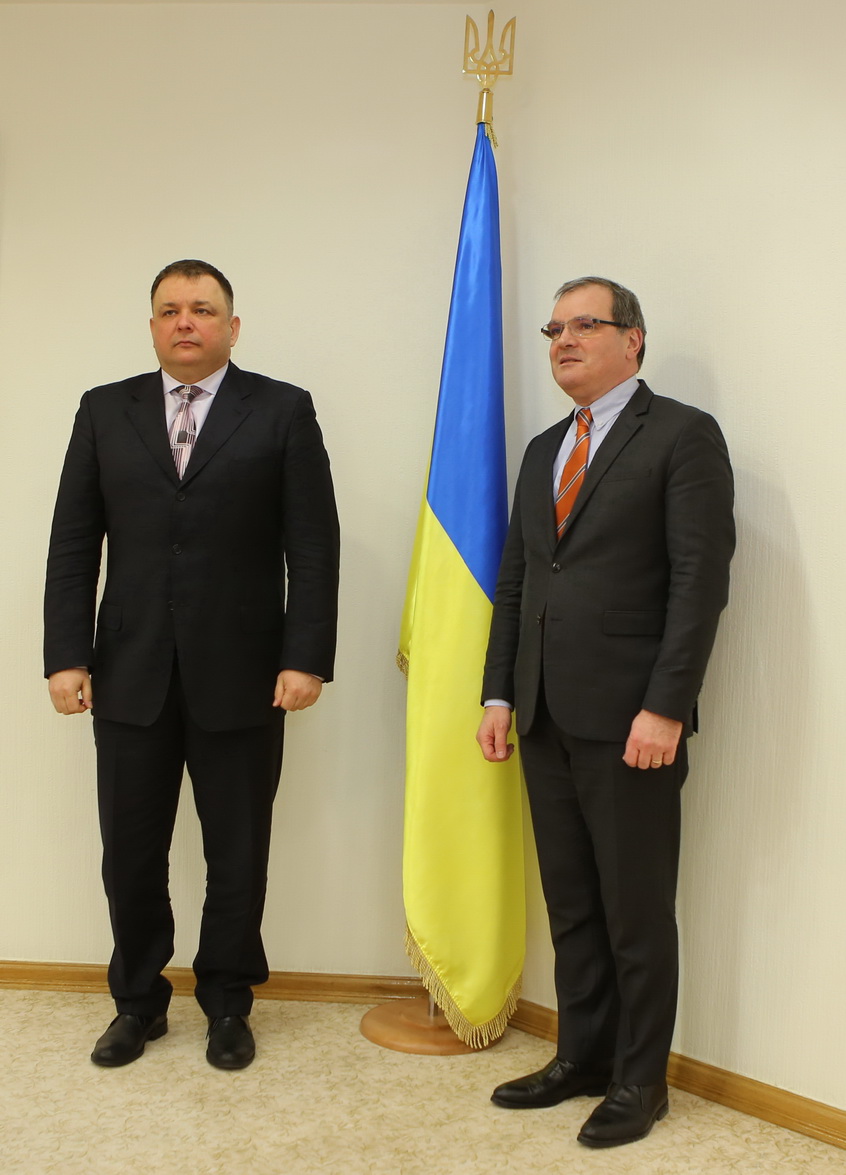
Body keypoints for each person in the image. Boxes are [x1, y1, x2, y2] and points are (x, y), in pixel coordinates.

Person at [44, 259, 339, 1071]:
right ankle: (138, 1003)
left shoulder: (282, 410)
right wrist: (66, 654)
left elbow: (313, 546)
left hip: (246, 674)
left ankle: (228, 1002)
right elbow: (74, 542)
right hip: (127, 672)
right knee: (129, 852)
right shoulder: (103, 411)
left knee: (237, 852)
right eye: (170, 309)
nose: (186, 321)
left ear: (231, 327)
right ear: (151, 326)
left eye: (203, 309)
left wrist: (305, 657)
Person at [476, 277, 734, 1148]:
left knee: (635, 911)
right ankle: (581, 1057)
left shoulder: (683, 435)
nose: (564, 340)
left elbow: (699, 583)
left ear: (634, 339)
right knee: (574, 905)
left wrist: (667, 705)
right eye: (554, 328)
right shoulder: (543, 448)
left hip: (633, 723)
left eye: (585, 324)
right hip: (544, 714)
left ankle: (639, 1080)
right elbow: (518, 581)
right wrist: (499, 692)